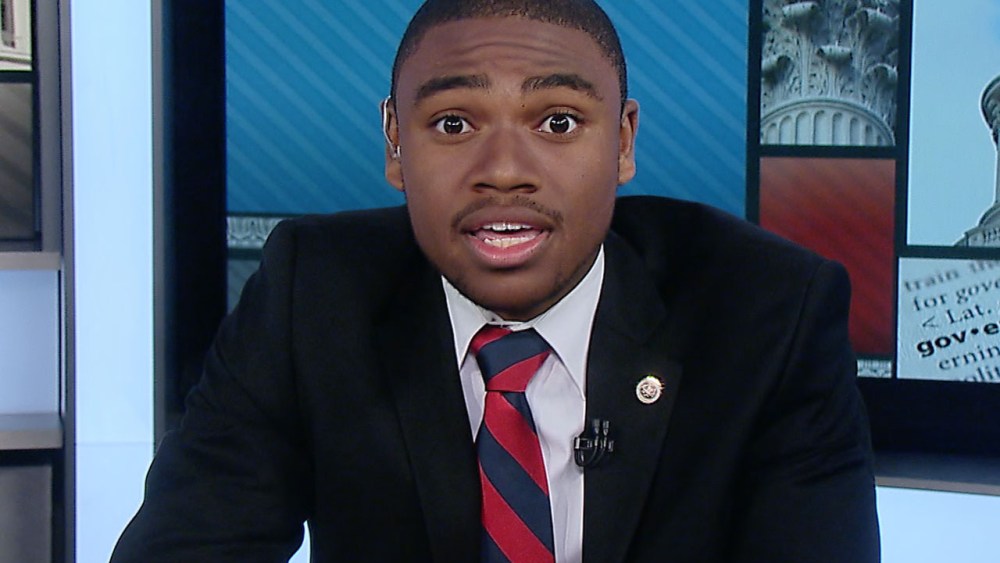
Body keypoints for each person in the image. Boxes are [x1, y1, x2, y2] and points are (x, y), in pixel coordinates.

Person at [112, 1, 880, 561]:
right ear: (395, 143)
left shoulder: (770, 313)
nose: (505, 171)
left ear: (622, 142)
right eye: (454, 124)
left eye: (557, 122)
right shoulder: (310, 292)